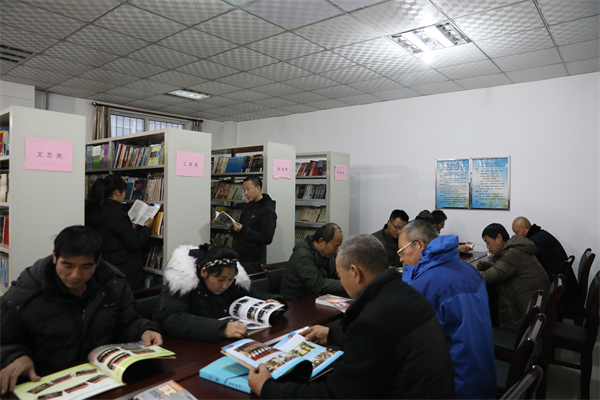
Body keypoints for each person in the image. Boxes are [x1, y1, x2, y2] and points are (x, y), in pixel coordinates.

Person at [248, 234, 455, 398]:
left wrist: (267, 388)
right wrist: (332, 335)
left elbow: (336, 395)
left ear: (355, 272)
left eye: (340, 275)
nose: (341, 281)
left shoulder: (372, 320)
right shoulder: (406, 293)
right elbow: (385, 344)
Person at [0, 226, 161, 394]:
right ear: (55, 256)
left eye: (86, 266)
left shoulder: (113, 283)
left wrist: (143, 330)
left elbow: (126, 322)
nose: (75, 275)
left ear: (98, 261)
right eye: (67, 265)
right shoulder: (25, 293)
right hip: (47, 383)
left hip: (100, 382)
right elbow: (4, 339)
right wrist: (16, 357)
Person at [398, 220, 496, 399]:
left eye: (401, 251)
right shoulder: (468, 269)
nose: (400, 259)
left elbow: (413, 347)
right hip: (484, 376)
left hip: (457, 386)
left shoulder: (428, 283)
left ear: (419, 245)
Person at [154, 244, 287, 342]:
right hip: (183, 349)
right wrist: (221, 328)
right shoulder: (181, 284)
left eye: (230, 279)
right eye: (221, 279)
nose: (225, 285)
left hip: (221, 345)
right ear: (204, 272)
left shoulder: (232, 283)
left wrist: (274, 303)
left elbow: (251, 295)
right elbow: (173, 319)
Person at [85, 174, 154, 290]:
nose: (124, 195)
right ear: (117, 192)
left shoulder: (94, 209)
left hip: (106, 265)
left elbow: (109, 232)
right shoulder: (116, 213)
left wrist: (128, 227)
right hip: (124, 269)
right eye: (124, 192)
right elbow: (134, 242)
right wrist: (147, 228)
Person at [477, 223, 550, 330]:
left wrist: (469, 270)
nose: (487, 247)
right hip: (532, 305)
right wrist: (484, 265)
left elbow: (488, 277)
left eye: (488, 242)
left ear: (499, 237)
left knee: (483, 311)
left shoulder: (511, 254)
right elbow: (502, 269)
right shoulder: (515, 249)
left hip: (522, 314)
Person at [512, 216, 580, 306]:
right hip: (561, 282)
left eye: (517, 232)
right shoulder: (539, 235)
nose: (516, 235)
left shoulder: (537, 241)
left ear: (526, 228)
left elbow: (529, 264)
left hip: (561, 289)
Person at [280, 223, 344, 301]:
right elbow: (317, 284)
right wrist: (347, 284)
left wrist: (350, 278)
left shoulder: (327, 253)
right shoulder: (302, 255)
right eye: (335, 246)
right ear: (321, 241)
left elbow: (335, 272)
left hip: (315, 297)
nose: (336, 250)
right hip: (296, 301)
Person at [231, 176, 277, 274]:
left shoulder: (267, 210)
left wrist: (243, 230)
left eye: (248, 189)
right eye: (244, 189)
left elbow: (267, 238)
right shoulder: (249, 205)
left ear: (258, 188)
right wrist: (235, 229)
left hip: (252, 261)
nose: (245, 193)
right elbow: (245, 228)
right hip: (239, 256)